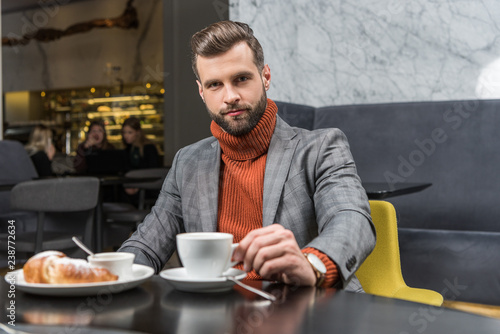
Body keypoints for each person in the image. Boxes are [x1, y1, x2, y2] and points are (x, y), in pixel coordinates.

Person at [119, 21, 375, 290]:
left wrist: (312, 264)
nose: (230, 96)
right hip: (215, 314)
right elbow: (147, 244)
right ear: (201, 92)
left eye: (241, 79)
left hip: (305, 309)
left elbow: (351, 219)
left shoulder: (321, 147)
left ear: (265, 76)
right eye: (215, 84)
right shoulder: (187, 162)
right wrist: (103, 274)